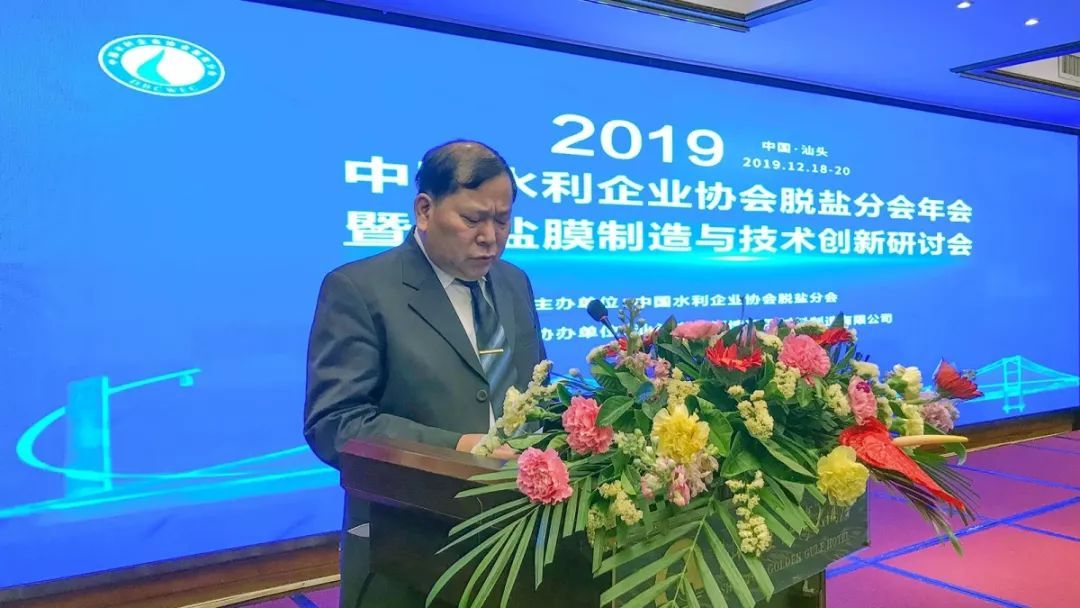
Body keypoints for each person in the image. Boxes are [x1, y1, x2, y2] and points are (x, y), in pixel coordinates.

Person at [303, 140, 546, 607]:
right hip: (405, 551)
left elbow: (536, 393)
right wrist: (458, 449)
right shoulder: (359, 289)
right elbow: (335, 424)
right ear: (425, 209)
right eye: (473, 219)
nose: (490, 237)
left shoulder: (514, 283)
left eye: (502, 220)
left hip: (514, 543)